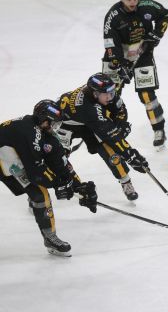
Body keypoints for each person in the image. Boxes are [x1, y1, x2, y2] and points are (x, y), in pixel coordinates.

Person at [0, 100, 98, 256]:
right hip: (5, 157)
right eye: (53, 123)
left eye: (57, 123)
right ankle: (49, 237)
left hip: (11, 156)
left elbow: (60, 162)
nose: (56, 127)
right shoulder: (30, 133)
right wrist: (59, 184)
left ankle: (38, 212)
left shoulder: (45, 132)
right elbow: (36, 172)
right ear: (43, 119)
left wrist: (79, 186)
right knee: (40, 193)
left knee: (39, 190)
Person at [56, 73, 148, 201]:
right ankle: (41, 195)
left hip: (88, 122)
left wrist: (120, 126)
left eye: (112, 91)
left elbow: (120, 110)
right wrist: (130, 154)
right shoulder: (87, 108)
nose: (111, 96)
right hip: (65, 124)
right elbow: (109, 133)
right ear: (95, 94)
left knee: (109, 150)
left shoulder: (106, 95)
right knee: (57, 157)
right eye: (107, 93)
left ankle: (125, 181)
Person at [102, 0, 168, 149]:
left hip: (143, 53)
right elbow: (111, 44)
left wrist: (157, 34)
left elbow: (166, 15)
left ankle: (159, 130)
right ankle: (104, 130)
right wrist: (119, 66)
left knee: (147, 95)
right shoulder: (113, 16)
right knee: (107, 95)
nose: (132, 2)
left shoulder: (148, 6)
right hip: (118, 56)